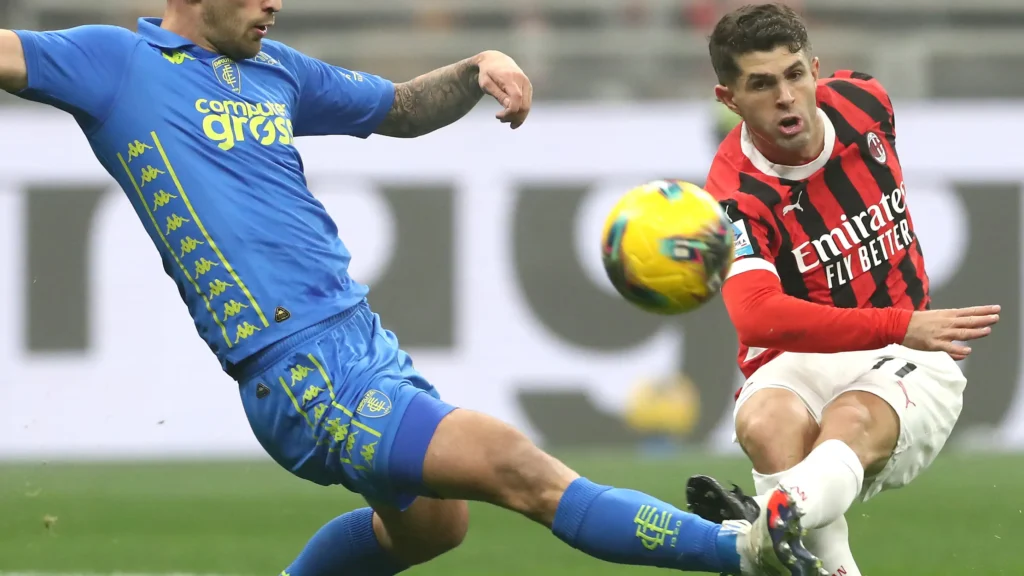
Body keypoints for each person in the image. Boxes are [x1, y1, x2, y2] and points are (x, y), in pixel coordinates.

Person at [0, 1, 823, 575]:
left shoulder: (270, 71)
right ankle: (741, 553)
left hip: (363, 343)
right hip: (298, 367)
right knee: (518, 468)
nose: (275, 5)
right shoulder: (116, 63)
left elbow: (396, 107)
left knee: (433, 527)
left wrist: (475, 69)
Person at [686, 4, 1001, 576]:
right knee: (765, 422)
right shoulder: (734, 195)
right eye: (761, 84)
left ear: (815, 68)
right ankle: (778, 533)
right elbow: (756, 318)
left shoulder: (866, 102)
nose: (786, 96)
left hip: (910, 353)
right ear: (728, 99)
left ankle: (758, 527)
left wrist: (903, 329)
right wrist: (899, 320)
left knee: (850, 423)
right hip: (838, 347)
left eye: (795, 74)